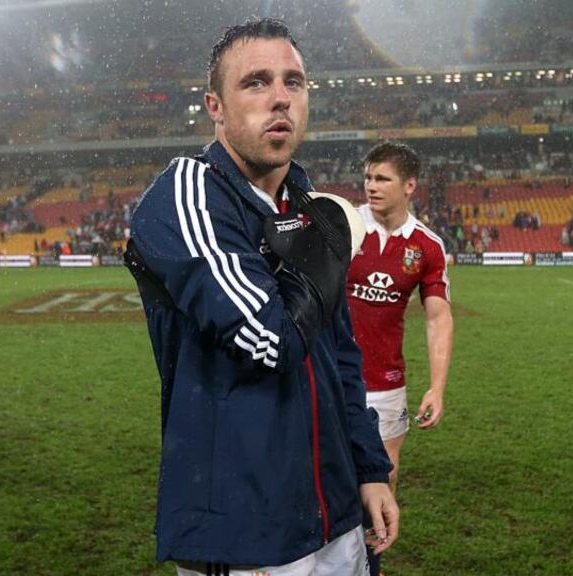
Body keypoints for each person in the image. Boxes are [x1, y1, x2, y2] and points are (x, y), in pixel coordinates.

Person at [127, 18, 397, 576]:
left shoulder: (304, 204)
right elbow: (270, 340)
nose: (280, 98)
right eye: (256, 82)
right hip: (245, 527)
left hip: (337, 512)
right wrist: (325, 252)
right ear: (215, 106)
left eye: (293, 82)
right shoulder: (188, 192)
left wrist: (370, 468)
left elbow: (343, 356)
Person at [346, 142, 455, 573]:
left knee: (384, 479)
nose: (371, 186)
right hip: (333, 379)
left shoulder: (426, 247)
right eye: (368, 177)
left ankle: (369, 564)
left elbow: (438, 317)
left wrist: (438, 386)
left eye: (382, 178)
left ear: (409, 186)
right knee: (326, 476)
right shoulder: (344, 225)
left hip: (387, 384)